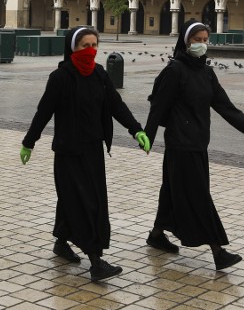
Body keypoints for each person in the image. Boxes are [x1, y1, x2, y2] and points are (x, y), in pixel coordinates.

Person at [20, 26, 150, 282]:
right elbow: (43, 112)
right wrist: (29, 142)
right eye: (84, 46)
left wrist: (136, 130)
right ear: (72, 48)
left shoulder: (99, 74)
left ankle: (61, 241)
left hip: (93, 150)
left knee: (78, 199)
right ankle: (95, 261)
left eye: (94, 45)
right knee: (86, 204)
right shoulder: (61, 77)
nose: (90, 51)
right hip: (69, 152)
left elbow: (116, 105)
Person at [143, 19, 244, 271]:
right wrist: (148, 137)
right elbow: (158, 105)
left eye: (206, 40)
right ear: (186, 42)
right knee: (198, 195)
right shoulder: (175, 71)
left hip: (198, 143)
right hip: (180, 144)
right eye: (197, 40)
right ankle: (218, 250)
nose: (202, 44)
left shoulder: (206, 71)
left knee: (173, 190)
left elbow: (222, 103)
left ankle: (156, 234)